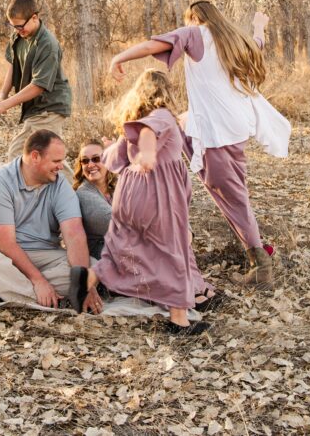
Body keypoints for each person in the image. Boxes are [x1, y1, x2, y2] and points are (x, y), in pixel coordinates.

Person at [107, 1, 291, 287]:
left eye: (188, 20)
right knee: (183, 125)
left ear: (195, 17)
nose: (187, 25)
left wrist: (119, 57)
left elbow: (151, 45)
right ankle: (255, 248)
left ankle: (260, 263)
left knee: (232, 196)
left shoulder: (196, 33)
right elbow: (258, 43)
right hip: (234, 127)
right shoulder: (234, 39)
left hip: (218, 133)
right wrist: (258, 26)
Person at [68, 69, 210, 335]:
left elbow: (112, 159)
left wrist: (115, 147)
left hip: (128, 193)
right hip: (156, 195)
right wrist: (147, 153)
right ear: (164, 92)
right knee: (172, 251)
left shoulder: (132, 123)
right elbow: (148, 132)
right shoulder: (161, 116)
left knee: (120, 247)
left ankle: (88, 277)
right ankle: (179, 319)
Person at [0, 130, 102, 313]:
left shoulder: (59, 185)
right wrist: (38, 281)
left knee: (93, 265)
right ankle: (50, 297)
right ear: (35, 156)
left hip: (42, 254)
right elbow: (4, 243)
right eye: (56, 161)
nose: (61, 166)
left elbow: (74, 235)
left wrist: (84, 286)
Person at [0, 0, 73, 160]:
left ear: (34, 17)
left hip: (50, 107)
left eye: (20, 26)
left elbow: (38, 85)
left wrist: (5, 105)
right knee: (27, 156)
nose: (18, 30)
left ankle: (67, 186)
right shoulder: (17, 37)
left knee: (35, 156)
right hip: (34, 109)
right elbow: (14, 66)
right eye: (14, 26)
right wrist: (2, 96)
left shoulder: (48, 44)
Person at [72, 140, 116, 259]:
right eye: (85, 161)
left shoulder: (114, 188)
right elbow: (116, 225)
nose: (90, 165)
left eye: (96, 159)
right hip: (102, 255)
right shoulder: (83, 195)